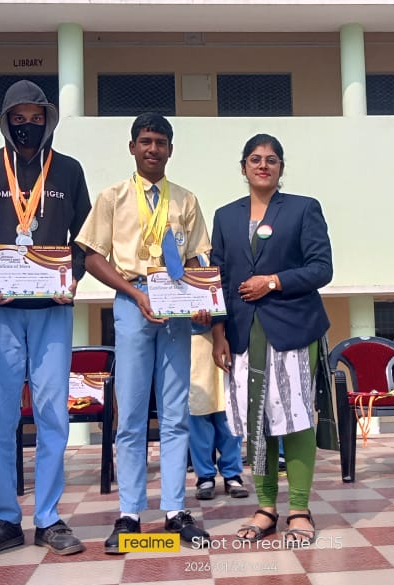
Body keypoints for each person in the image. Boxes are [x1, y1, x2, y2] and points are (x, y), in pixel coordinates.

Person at [0, 80, 92, 560]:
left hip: (53, 311)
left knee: (54, 414)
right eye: (19, 117)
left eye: (37, 117)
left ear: (48, 119)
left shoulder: (69, 171)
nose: (28, 125)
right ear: (6, 120)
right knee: (1, 416)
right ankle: (2, 518)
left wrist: (72, 276)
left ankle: (49, 517)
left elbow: (86, 238)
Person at [75, 113, 212, 553]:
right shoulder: (113, 197)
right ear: (132, 147)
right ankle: (129, 514)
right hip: (132, 300)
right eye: (146, 141)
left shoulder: (186, 201)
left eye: (161, 142)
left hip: (175, 308)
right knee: (131, 416)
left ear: (171, 149)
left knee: (175, 414)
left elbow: (197, 260)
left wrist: (204, 301)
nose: (153, 149)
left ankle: (175, 511)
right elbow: (92, 256)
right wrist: (134, 296)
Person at [210, 133, 333, 546]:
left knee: (296, 418)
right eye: (255, 159)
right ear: (243, 166)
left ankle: (299, 508)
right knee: (255, 422)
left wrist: (274, 281)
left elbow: (321, 268)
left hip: (292, 329)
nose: (263, 165)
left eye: (272, 160)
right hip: (243, 334)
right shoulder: (226, 216)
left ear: (281, 168)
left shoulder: (302, 209)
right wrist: (218, 334)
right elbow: (219, 279)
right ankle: (265, 508)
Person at [188, 259, 248, 502]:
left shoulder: (218, 259)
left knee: (228, 413)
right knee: (198, 413)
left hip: (225, 341)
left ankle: (233, 474)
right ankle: (205, 476)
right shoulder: (177, 260)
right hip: (192, 343)